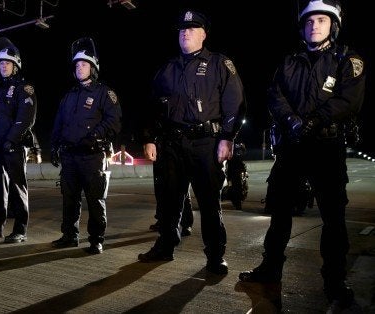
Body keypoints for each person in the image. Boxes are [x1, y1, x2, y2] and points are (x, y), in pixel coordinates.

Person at [239, 0, 364, 309]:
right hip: (292, 148)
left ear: (332, 25)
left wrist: (311, 121)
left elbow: (348, 101)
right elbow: (274, 94)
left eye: (321, 20)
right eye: (309, 21)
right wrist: (293, 122)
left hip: (326, 148)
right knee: (279, 213)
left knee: (333, 218)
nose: (314, 26)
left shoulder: (348, 60)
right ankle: (271, 268)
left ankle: (334, 280)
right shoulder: (290, 61)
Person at [138, 10, 246, 275]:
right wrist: (149, 138)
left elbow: (235, 103)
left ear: (203, 34)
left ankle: (215, 256)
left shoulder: (220, 64)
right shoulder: (167, 69)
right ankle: (165, 246)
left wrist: (227, 138)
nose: (185, 32)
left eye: (192, 28)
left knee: (209, 202)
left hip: (205, 143)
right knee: (168, 200)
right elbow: (151, 107)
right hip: (170, 144)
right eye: (182, 29)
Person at [50, 37, 122, 254]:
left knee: (95, 200)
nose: (80, 68)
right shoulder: (68, 96)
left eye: (84, 64)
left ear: (93, 67)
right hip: (70, 157)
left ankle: (96, 239)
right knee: (69, 199)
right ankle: (69, 235)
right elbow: (58, 123)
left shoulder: (104, 93)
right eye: (77, 65)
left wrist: (95, 135)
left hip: (93, 157)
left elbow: (114, 120)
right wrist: (53, 146)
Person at [0, 37, 37, 243]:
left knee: (17, 187)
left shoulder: (24, 88)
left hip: (14, 147)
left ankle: (20, 229)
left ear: (16, 65)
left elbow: (26, 118)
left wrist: (11, 139)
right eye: (1, 63)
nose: (3, 66)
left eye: (7, 63)